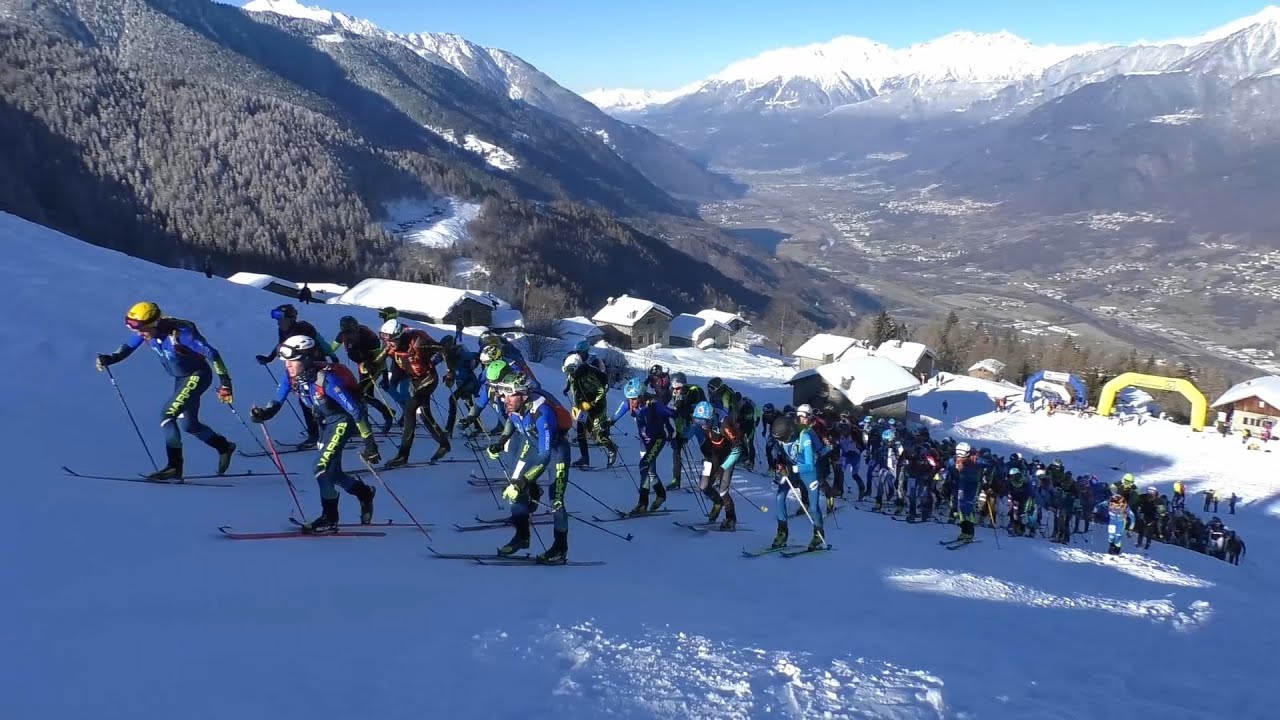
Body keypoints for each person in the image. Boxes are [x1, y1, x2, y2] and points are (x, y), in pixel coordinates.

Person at [250, 335, 379, 532]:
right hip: (325, 425)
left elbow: (356, 410)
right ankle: (364, 493)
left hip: (343, 422)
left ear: (307, 359)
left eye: (293, 361)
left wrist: (369, 442)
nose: (288, 365)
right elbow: (278, 399)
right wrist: (264, 413)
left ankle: (329, 517)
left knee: (320, 468)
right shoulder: (291, 376)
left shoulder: (326, 379)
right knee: (333, 474)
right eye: (286, 361)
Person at [96, 302, 237, 480]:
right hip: (182, 379)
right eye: (133, 328)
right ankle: (224, 447)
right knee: (189, 425)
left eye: (141, 328)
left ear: (154, 323)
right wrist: (110, 358)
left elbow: (213, 354)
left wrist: (225, 384)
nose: (139, 333)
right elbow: (128, 347)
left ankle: (174, 467)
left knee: (167, 415)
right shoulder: (148, 332)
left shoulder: (181, 335)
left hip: (197, 376)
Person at [486, 374, 574, 562]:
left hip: (555, 452)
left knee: (556, 502)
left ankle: (560, 547)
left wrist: (523, 481)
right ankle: (522, 536)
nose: (506, 399)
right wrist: (500, 443)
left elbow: (545, 456)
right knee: (514, 490)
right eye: (504, 394)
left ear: (524, 395)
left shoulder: (542, 413)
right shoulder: (514, 406)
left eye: (510, 395)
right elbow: (511, 422)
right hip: (532, 445)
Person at [255, 304, 336, 447]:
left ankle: (330, 430)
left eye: (281, 318)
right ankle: (316, 435)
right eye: (277, 319)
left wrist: (332, 356)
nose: (279, 322)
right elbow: (281, 346)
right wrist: (270, 358)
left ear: (291, 318)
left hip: (315, 366)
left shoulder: (304, 328)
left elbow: (320, 341)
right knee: (305, 401)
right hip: (301, 369)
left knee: (320, 399)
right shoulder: (284, 330)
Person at [378, 319, 450, 467]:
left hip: (428, 379)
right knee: (425, 416)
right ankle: (444, 444)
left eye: (392, 341)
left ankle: (402, 455)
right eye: (386, 341)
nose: (389, 344)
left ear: (399, 336)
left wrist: (450, 372)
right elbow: (382, 360)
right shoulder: (389, 345)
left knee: (409, 410)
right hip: (415, 380)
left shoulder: (419, 341)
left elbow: (443, 349)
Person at [609, 377, 675, 515]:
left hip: (657, 440)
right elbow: (615, 416)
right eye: (629, 398)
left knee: (644, 466)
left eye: (634, 398)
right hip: (644, 441)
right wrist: (607, 424)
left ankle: (642, 504)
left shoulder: (654, 405)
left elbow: (672, 413)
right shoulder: (629, 403)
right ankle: (661, 495)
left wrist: (679, 428)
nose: (631, 402)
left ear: (641, 396)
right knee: (650, 471)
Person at [768, 413, 826, 550]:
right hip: (792, 468)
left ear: (790, 434)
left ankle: (818, 534)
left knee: (813, 506)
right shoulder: (781, 438)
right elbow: (781, 454)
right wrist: (780, 464)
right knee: (780, 497)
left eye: (784, 439)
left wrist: (791, 468)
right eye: (780, 440)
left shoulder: (804, 437)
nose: (782, 442)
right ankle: (782, 532)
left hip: (808, 471)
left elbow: (809, 465)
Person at [332, 315, 395, 433]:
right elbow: (332, 348)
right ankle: (376, 417)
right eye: (348, 331)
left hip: (374, 367)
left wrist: (385, 376)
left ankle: (386, 415)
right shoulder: (343, 335)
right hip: (362, 367)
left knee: (362, 394)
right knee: (365, 395)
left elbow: (381, 356)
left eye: (352, 330)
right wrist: (326, 356)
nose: (351, 333)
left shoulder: (367, 336)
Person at [692, 401, 742, 530]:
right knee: (703, 486)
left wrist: (723, 467)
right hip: (711, 456)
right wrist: (681, 439)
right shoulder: (702, 422)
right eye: (699, 422)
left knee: (723, 490)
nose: (702, 426)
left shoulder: (725, 424)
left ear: (712, 417)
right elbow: (692, 429)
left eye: (704, 422)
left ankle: (730, 519)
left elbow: (737, 450)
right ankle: (717, 503)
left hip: (727, 457)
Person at [562, 354, 618, 468]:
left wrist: (591, 404)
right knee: (581, 431)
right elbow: (575, 391)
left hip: (598, 407)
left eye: (571, 370)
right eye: (567, 370)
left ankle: (612, 448)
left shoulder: (587, 375)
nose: (569, 373)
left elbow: (601, 391)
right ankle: (584, 459)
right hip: (583, 406)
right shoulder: (573, 376)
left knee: (598, 434)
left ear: (577, 367)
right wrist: (577, 406)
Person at [667, 372, 706, 489]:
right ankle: (676, 479)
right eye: (673, 388)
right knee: (676, 447)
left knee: (707, 451)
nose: (675, 390)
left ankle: (708, 478)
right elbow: (671, 408)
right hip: (686, 424)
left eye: (678, 388)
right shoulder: (673, 392)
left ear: (684, 385)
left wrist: (684, 407)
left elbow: (699, 411)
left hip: (700, 424)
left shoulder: (695, 391)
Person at [439, 332, 481, 436]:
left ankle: (449, 429)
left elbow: (478, 356)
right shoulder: (447, 356)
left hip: (469, 382)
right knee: (468, 403)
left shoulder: (460, 353)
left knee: (453, 399)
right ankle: (478, 426)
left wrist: (474, 366)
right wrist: (449, 376)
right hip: (462, 382)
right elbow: (453, 369)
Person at [945, 441, 981, 544]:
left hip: (971, 486)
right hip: (960, 485)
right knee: (960, 507)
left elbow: (986, 464)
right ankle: (964, 531)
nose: (960, 455)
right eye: (958, 452)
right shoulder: (953, 460)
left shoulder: (974, 459)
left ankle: (970, 531)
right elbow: (949, 470)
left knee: (967, 507)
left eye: (962, 453)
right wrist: (947, 479)